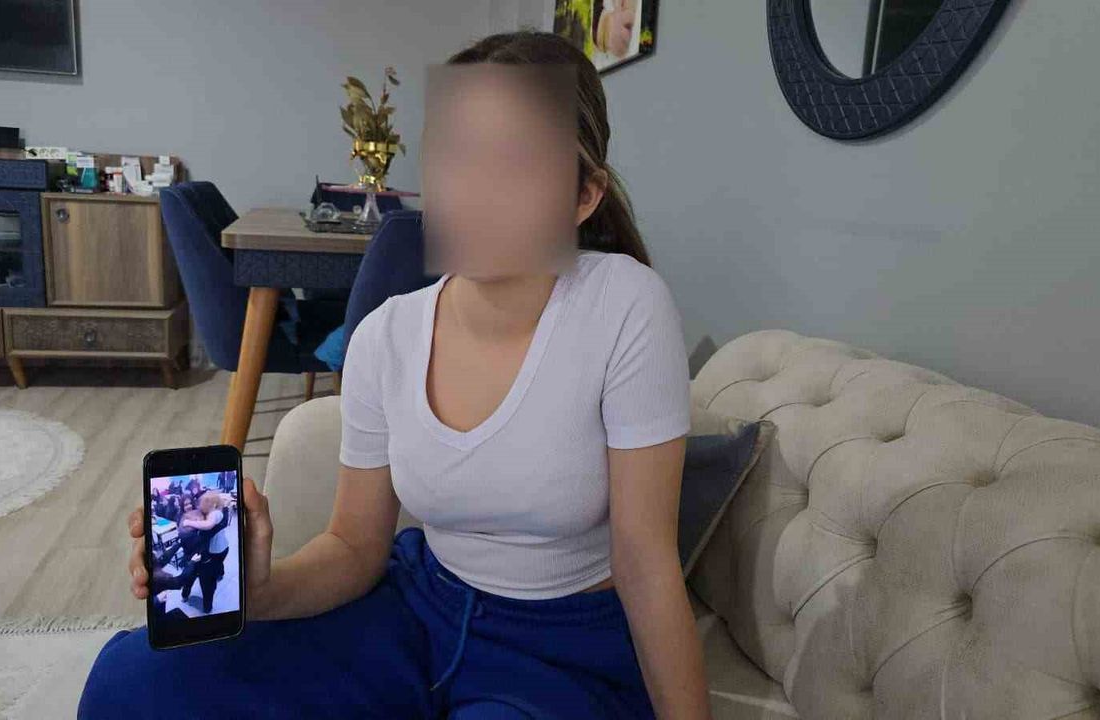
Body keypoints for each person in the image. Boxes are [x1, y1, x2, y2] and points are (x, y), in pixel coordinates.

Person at [80, 31, 709, 720]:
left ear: (584, 194)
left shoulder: (625, 304)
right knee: (130, 681)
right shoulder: (386, 334)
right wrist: (259, 592)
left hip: (561, 650)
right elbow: (354, 546)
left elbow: (646, 563)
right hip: (415, 607)